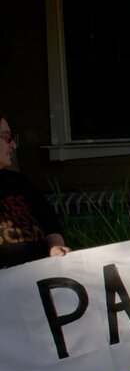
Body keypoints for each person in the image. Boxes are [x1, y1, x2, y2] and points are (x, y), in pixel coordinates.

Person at [0, 111, 70, 268]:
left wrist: (54, 247)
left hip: (38, 281)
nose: (13, 145)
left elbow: (50, 222)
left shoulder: (19, 182)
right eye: (6, 137)